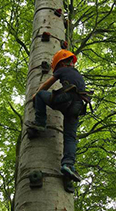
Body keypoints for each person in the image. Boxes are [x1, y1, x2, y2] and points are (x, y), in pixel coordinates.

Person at [28, 49, 86, 182]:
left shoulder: (62, 70)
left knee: (41, 95)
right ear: (69, 62)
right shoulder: (77, 74)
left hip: (66, 99)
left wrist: (36, 95)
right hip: (78, 106)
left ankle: (40, 123)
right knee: (70, 137)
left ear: (60, 64)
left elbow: (47, 84)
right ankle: (68, 165)